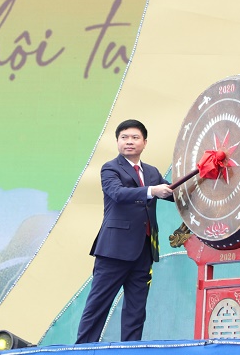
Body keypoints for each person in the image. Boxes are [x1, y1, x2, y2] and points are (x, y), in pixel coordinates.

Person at [76, 119, 174, 343]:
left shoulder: (151, 172)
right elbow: (119, 194)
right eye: (124, 138)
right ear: (118, 141)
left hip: (144, 251)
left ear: (144, 142)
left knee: (136, 309)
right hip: (114, 250)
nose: (129, 142)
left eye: (135, 137)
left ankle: (130, 348)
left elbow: (171, 193)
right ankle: (82, 349)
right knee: (98, 305)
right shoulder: (110, 168)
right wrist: (152, 190)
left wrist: (202, 184)